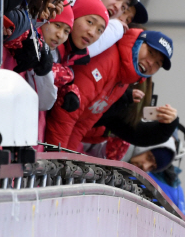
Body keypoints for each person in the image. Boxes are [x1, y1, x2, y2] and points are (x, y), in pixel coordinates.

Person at [45, 29, 173, 151]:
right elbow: (67, 112)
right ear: (139, 42)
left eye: (158, 63)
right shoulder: (108, 60)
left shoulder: (122, 81)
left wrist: (65, 161)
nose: (151, 63)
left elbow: (82, 124)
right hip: (44, 119)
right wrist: (55, 158)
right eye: (150, 52)